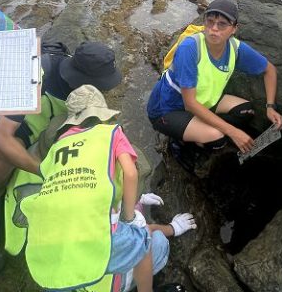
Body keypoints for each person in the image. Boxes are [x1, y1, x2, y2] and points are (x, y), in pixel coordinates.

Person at [20, 85, 196, 292]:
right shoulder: (111, 132)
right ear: (102, 114)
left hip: (47, 248)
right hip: (103, 264)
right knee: (145, 242)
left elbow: (71, 185)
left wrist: (137, 199)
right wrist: (133, 216)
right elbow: (131, 173)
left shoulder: (60, 143)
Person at [0, 41, 122, 246]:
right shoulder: (36, 77)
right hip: (25, 127)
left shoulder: (91, 91)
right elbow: (1, 140)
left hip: (58, 123)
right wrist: (43, 170)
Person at [147, 0, 282, 157]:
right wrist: (232, 132)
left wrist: (270, 107)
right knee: (217, 137)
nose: (213, 29)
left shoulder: (234, 48)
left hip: (204, 102)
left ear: (234, 29)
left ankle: (199, 131)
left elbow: (269, 70)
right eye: (209, 22)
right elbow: (190, 103)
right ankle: (181, 143)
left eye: (222, 24)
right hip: (168, 109)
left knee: (246, 111)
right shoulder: (190, 48)